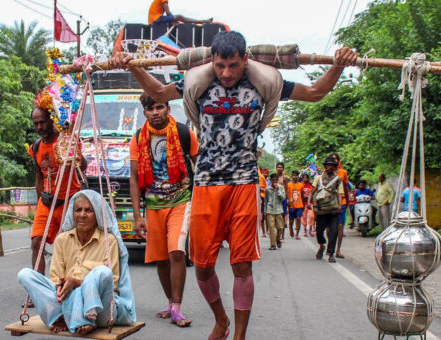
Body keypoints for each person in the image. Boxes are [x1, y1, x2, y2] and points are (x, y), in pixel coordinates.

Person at [112, 30, 357, 340]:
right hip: (205, 184)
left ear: (244, 60)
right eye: (220, 66)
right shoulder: (199, 84)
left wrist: (338, 64)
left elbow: (315, 92)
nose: (226, 73)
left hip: (243, 183)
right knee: (201, 267)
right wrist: (131, 65)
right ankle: (221, 319)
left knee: (242, 266)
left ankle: (238, 335)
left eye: (233, 66)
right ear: (212, 62)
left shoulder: (263, 84)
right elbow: (159, 93)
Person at [18, 190, 136, 335]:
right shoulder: (62, 240)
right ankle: (61, 316)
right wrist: (62, 286)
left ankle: (88, 317)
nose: (82, 215)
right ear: (72, 213)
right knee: (25, 274)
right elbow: (55, 278)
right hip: (67, 302)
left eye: (89, 210)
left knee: (103, 272)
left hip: (101, 309)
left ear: (97, 214)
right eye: (78, 210)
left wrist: (77, 282)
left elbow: (112, 282)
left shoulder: (108, 240)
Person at [129, 93, 198, 327]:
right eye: (151, 109)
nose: (155, 112)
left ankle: (177, 308)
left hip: (181, 200)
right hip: (153, 205)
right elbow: (134, 176)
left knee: (176, 252)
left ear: (168, 108)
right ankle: (170, 302)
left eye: (160, 107)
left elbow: (201, 167)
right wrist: (137, 216)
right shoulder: (138, 138)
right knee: (160, 258)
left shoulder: (185, 133)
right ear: (144, 112)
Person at [29, 103, 87, 277]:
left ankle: (66, 285)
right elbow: (39, 177)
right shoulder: (36, 147)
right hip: (46, 203)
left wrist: (73, 155)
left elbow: (83, 165)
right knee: (36, 242)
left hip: (68, 201)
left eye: (42, 122)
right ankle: (37, 287)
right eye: (36, 123)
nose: (39, 127)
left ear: (51, 120)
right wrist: (41, 200)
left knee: (67, 246)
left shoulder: (66, 141)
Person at [308, 156, 344, 263]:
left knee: (334, 231)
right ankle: (321, 245)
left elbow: (339, 194)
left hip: (333, 209)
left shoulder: (337, 179)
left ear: (334, 167)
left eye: (332, 165)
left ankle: (331, 253)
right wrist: (309, 202)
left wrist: (340, 206)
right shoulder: (318, 178)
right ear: (325, 166)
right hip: (321, 209)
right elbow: (312, 191)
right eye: (328, 165)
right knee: (319, 232)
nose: (330, 167)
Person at [330, 152, 349, 259]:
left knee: (340, 226)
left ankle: (338, 250)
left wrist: (346, 200)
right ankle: (330, 246)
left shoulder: (343, 173)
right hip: (330, 202)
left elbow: (345, 187)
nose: (335, 160)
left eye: (336, 159)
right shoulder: (325, 173)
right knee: (328, 228)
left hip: (341, 201)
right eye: (333, 159)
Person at [148, 0, 213, 25]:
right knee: (179, 16)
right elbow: (168, 13)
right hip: (156, 19)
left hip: (155, 19)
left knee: (178, 18)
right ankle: (200, 21)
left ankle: (200, 21)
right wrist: (175, 20)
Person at [265, 173, 285, 250]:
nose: (274, 182)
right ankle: (272, 245)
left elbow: (282, 198)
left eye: (276, 180)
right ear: (271, 180)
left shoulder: (281, 188)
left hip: (278, 210)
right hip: (270, 210)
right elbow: (266, 200)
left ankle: (277, 239)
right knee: (272, 228)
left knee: (280, 227)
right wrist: (265, 211)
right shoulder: (267, 189)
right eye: (273, 180)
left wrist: (278, 190)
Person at [287, 170, 304, 240]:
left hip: (299, 205)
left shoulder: (301, 185)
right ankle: (291, 229)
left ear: (298, 176)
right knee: (291, 221)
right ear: (292, 176)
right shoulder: (289, 185)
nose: (295, 177)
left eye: (296, 175)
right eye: (294, 175)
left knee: (298, 219)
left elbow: (302, 195)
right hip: (291, 205)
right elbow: (287, 194)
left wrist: (304, 205)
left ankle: (297, 234)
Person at [276, 162, 289, 240]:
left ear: (283, 168)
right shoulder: (273, 177)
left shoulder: (285, 178)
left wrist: (288, 199)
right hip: (275, 199)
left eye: (281, 167)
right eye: (278, 167)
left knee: (283, 217)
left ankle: (283, 236)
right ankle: (277, 235)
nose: (279, 168)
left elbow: (287, 189)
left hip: (283, 199)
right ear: (276, 168)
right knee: (276, 216)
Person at [258, 163, 268, 237]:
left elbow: (263, 188)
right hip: (259, 198)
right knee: (262, 216)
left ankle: (267, 231)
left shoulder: (260, 177)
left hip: (263, 198)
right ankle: (264, 232)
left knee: (265, 215)